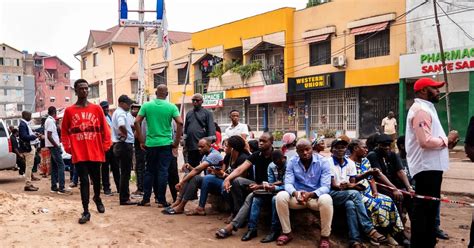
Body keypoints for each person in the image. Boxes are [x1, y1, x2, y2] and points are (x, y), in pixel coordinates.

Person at [406, 77, 459, 247]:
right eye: (434, 88)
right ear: (423, 91)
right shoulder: (421, 110)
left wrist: (446, 144)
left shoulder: (427, 108)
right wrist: (446, 139)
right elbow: (425, 142)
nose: (438, 91)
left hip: (431, 167)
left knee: (429, 210)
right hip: (425, 168)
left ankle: (427, 242)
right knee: (424, 210)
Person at [61, 79, 112, 224]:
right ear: (75, 91)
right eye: (81, 89)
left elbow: (105, 129)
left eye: (86, 88)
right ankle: (85, 210)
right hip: (80, 153)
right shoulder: (69, 111)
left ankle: (97, 197)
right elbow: (64, 131)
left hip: (96, 151)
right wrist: (68, 147)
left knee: (96, 180)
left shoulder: (97, 109)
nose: (84, 91)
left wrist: (106, 145)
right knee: (83, 182)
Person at [328, 139, 387, 247]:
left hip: (346, 194)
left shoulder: (350, 163)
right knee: (355, 194)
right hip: (332, 194)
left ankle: (355, 240)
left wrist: (351, 186)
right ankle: (368, 228)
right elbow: (333, 185)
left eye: (343, 147)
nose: (340, 150)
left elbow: (352, 182)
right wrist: (345, 187)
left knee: (350, 205)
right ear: (332, 150)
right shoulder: (328, 162)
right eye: (337, 147)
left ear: (346, 149)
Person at [274, 139, 333, 247]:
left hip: (315, 198)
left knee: (327, 199)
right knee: (280, 196)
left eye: (307, 149)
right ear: (297, 151)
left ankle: (325, 237)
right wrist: (295, 193)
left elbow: (326, 186)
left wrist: (311, 194)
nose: (305, 153)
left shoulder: (323, 161)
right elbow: (288, 183)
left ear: (312, 149)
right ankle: (287, 232)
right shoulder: (292, 162)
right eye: (301, 150)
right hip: (298, 199)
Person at [348, 140, 405, 246]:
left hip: (369, 191)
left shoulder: (365, 161)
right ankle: (372, 234)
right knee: (373, 204)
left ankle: (389, 233)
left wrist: (375, 191)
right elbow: (352, 182)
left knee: (387, 200)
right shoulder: (348, 162)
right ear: (355, 148)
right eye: (364, 147)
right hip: (356, 192)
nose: (366, 150)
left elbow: (371, 178)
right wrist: (368, 173)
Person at [135, 84, 183, 207]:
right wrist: (176, 142)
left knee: (149, 171)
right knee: (163, 172)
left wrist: (141, 140)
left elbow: (136, 122)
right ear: (166, 94)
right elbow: (180, 123)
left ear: (156, 93)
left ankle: (146, 199)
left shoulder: (147, 105)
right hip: (166, 144)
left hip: (151, 144)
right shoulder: (171, 107)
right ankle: (161, 200)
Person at [226, 150, 286, 243]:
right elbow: (270, 182)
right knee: (256, 198)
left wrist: (272, 186)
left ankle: (274, 230)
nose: (277, 164)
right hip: (271, 189)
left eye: (278, 162)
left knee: (275, 199)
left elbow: (288, 184)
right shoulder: (270, 165)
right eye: (275, 162)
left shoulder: (288, 165)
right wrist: (269, 186)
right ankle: (252, 229)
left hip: (283, 192)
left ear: (284, 158)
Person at [162, 138, 223, 214]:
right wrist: (190, 167)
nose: (199, 149)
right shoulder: (205, 155)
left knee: (194, 178)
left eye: (202, 147)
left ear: (209, 145)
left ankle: (182, 205)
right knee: (188, 175)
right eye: (199, 146)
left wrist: (182, 182)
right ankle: (178, 202)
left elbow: (197, 170)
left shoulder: (214, 155)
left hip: (216, 183)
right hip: (209, 182)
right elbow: (197, 170)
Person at [223, 133, 274, 217]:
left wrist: (260, 186)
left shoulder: (275, 155)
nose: (260, 143)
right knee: (235, 180)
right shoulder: (256, 154)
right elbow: (240, 169)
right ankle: (237, 212)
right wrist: (227, 179)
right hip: (256, 183)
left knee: (250, 198)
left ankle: (240, 218)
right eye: (260, 141)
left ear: (271, 142)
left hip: (270, 186)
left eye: (264, 141)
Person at [367, 134, 413, 220]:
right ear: (378, 145)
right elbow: (379, 175)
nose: (387, 147)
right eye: (384, 145)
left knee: (410, 196)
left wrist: (409, 187)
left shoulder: (392, 155)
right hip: (380, 186)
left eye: (388, 145)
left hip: (393, 185)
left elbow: (400, 171)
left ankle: (414, 226)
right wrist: (394, 189)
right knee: (396, 197)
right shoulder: (373, 155)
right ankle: (398, 227)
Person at [111, 95, 136, 205]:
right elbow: (121, 125)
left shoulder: (117, 112)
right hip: (124, 145)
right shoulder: (121, 113)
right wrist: (125, 134)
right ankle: (124, 198)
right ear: (122, 103)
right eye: (128, 104)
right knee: (125, 173)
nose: (129, 106)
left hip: (120, 144)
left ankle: (125, 197)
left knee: (124, 172)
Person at [45, 106, 72, 195]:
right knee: (61, 165)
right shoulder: (50, 121)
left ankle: (54, 187)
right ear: (54, 112)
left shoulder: (50, 121)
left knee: (54, 166)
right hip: (54, 146)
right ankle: (61, 188)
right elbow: (49, 135)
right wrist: (57, 145)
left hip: (52, 146)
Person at [184, 93, 216, 168]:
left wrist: (209, 140)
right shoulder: (189, 113)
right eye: (193, 100)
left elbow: (211, 128)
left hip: (202, 146)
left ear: (202, 101)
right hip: (191, 145)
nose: (195, 102)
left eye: (197, 100)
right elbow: (186, 129)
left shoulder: (207, 113)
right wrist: (184, 140)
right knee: (191, 166)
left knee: (204, 167)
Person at [18, 111, 41, 191]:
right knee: (29, 166)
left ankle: (29, 183)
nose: (31, 118)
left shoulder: (24, 124)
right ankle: (28, 184)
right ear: (26, 116)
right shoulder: (23, 125)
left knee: (29, 166)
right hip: (28, 148)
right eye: (30, 116)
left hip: (28, 147)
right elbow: (24, 136)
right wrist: (33, 136)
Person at [100, 101, 118, 195]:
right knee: (105, 168)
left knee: (115, 167)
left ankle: (119, 187)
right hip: (104, 147)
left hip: (112, 145)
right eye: (104, 107)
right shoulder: (100, 119)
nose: (106, 109)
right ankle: (106, 188)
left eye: (107, 107)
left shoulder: (109, 117)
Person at [131, 103, 145, 195]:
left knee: (140, 168)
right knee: (139, 167)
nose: (134, 110)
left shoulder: (139, 121)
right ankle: (141, 187)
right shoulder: (137, 120)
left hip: (141, 148)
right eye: (133, 108)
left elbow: (136, 135)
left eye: (136, 109)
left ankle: (141, 188)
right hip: (139, 147)